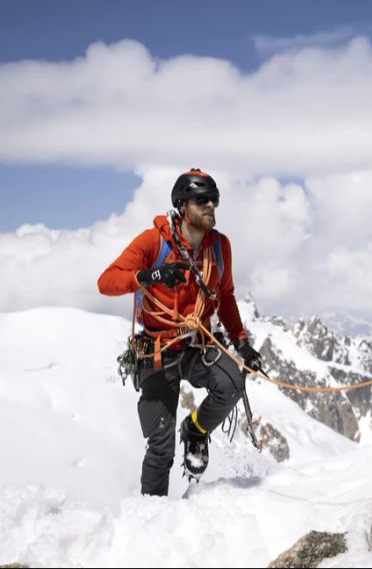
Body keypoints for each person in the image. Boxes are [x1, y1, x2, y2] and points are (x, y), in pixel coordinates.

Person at [98, 168, 263, 496]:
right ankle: (151, 515)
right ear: (182, 205)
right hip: (158, 348)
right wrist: (149, 276)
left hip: (197, 344)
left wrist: (241, 343)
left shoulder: (219, 247)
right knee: (161, 446)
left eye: (214, 200)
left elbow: (225, 295)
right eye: (202, 200)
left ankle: (196, 431)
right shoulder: (153, 242)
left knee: (231, 382)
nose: (211, 206)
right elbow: (106, 281)